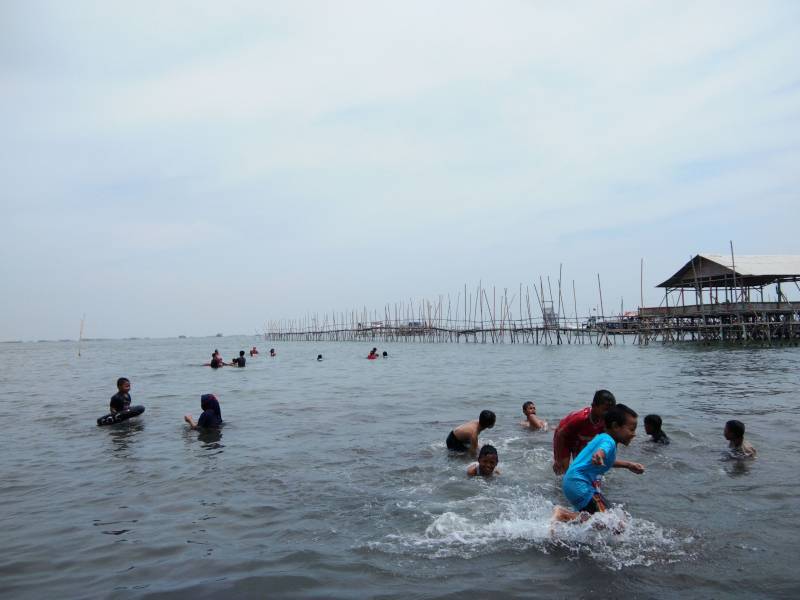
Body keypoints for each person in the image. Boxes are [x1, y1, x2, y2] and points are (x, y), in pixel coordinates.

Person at [553, 404, 645, 522]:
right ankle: (562, 514)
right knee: (610, 522)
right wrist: (599, 455)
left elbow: (607, 460)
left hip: (574, 483)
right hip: (580, 484)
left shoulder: (603, 437)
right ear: (616, 426)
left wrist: (628, 465)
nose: (634, 434)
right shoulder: (609, 441)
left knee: (610, 520)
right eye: (631, 429)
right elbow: (602, 451)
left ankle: (565, 521)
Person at [552, 390, 617, 475]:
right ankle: (557, 485)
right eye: (605, 409)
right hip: (564, 438)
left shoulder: (605, 420)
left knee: (580, 468)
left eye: (610, 410)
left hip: (580, 438)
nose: (608, 413)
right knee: (563, 470)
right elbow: (561, 434)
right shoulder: (581, 418)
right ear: (593, 405)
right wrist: (558, 459)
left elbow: (609, 441)